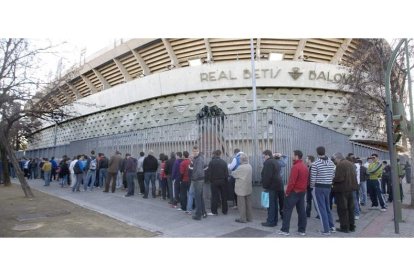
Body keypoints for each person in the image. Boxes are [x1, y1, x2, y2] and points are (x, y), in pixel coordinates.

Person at [278, 150, 309, 236]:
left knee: (287, 211)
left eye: (293, 155)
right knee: (301, 211)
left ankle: (285, 230)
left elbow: (292, 181)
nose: (292, 156)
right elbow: (307, 180)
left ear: (296, 156)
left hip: (294, 192)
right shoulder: (304, 166)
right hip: (302, 192)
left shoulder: (295, 167)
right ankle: (302, 230)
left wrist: (287, 192)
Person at [310, 146, 336, 235]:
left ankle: (326, 230)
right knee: (327, 207)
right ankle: (332, 227)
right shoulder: (331, 162)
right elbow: (333, 175)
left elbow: (313, 178)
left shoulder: (315, 164)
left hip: (319, 188)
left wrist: (312, 187)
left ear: (317, 153)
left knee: (321, 209)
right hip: (328, 187)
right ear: (325, 152)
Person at [331, 152, 358, 233]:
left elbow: (339, 178)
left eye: (334, 159)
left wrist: (332, 180)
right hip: (351, 189)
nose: (334, 161)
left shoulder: (340, 165)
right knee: (350, 209)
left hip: (342, 189)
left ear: (337, 158)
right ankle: (351, 226)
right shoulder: (350, 164)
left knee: (342, 209)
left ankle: (344, 227)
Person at [261, 149, 282, 227]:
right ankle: (274, 220)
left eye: (264, 156)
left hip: (271, 186)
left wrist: (265, 186)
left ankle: (270, 222)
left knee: (270, 205)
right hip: (277, 186)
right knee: (274, 204)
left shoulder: (268, 162)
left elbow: (267, 176)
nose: (263, 158)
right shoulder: (275, 161)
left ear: (267, 155)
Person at [207, 149, 229, 216]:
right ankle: (225, 211)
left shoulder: (211, 162)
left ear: (215, 154)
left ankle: (214, 211)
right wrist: (225, 180)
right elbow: (226, 173)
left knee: (214, 196)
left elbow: (209, 173)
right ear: (220, 154)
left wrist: (211, 180)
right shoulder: (224, 162)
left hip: (214, 181)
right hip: (222, 181)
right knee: (224, 196)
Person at [232, 153, 253, 223]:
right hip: (248, 187)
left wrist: (232, 171)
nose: (239, 160)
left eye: (239, 159)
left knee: (241, 204)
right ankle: (249, 218)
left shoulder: (241, 167)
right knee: (248, 203)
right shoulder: (249, 166)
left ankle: (243, 219)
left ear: (241, 160)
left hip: (241, 188)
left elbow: (234, 174)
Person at [189, 146, 207, 220]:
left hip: (198, 180)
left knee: (197, 198)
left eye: (196, 151)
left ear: (198, 151)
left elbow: (199, 171)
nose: (195, 152)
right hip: (200, 180)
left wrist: (194, 178)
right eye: (193, 151)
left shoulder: (199, 159)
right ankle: (203, 212)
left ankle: (198, 215)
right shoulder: (197, 158)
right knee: (200, 197)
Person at [274, 152, 288, 219]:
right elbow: (286, 157)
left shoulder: (272, 162)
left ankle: (274, 214)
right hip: (281, 182)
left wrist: (273, 155)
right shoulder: (282, 163)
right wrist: (282, 154)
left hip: (273, 182)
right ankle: (282, 214)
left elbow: (263, 158)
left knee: (274, 199)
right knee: (281, 199)